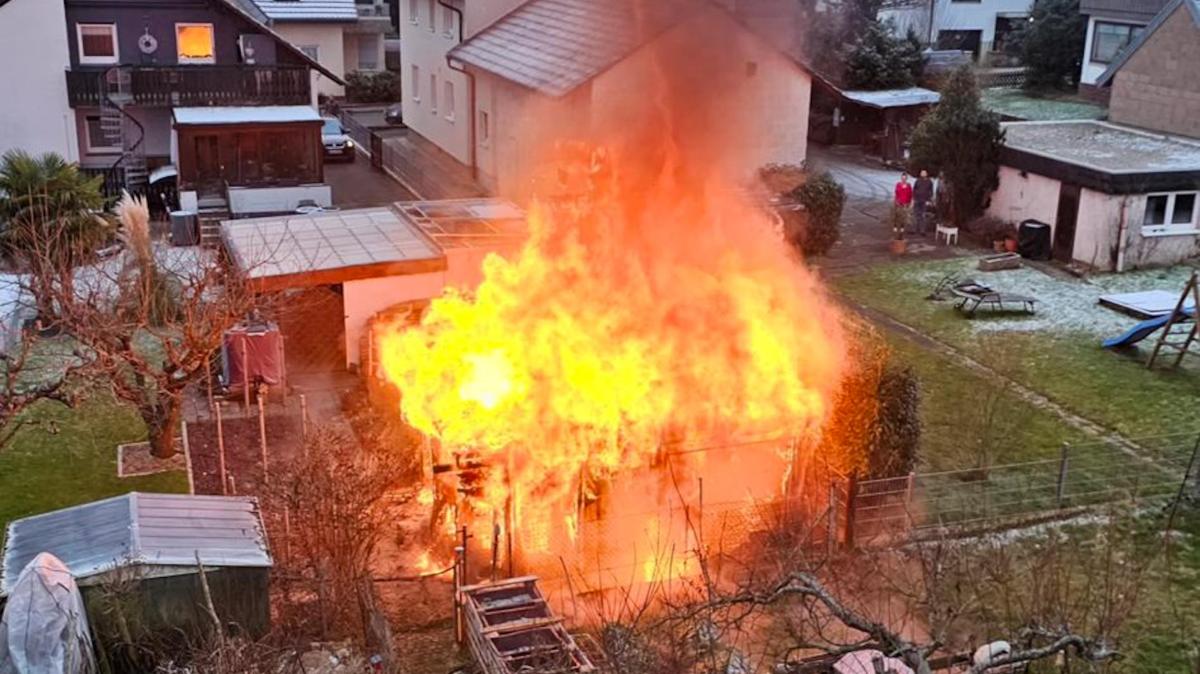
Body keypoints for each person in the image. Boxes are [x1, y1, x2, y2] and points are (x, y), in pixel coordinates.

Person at [913, 169, 934, 236]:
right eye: (921, 173)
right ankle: (914, 230)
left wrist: (929, 200)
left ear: (926, 174)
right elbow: (914, 189)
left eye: (924, 173)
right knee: (916, 215)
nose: (922, 174)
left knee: (923, 215)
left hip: (924, 201)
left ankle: (922, 231)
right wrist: (914, 198)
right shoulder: (917, 180)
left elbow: (931, 191)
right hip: (917, 200)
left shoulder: (929, 182)